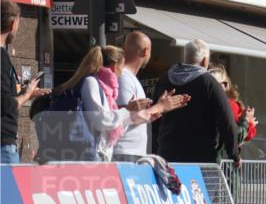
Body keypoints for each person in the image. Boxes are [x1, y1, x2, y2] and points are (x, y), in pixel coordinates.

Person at [47, 46, 186, 162]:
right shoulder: (92, 83)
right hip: (88, 155)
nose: (121, 73)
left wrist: (140, 115)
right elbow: (102, 120)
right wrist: (129, 112)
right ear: (114, 67)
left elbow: (112, 125)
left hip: (98, 155)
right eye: (121, 67)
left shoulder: (104, 88)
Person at [152, 39, 239, 165]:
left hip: (168, 153)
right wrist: (234, 154)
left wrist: (156, 148)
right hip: (200, 156)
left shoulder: (164, 79)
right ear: (205, 61)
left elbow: (155, 116)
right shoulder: (209, 82)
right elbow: (226, 120)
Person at [1, 0, 48, 163]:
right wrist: (26, 94)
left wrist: (26, 93)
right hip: (3, 145)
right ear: (13, 24)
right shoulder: (1, 58)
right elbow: (5, 104)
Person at [113, 31, 154, 162]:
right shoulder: (124, 78)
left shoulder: (128, 77)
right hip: (125, 150)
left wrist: (151, 114)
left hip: (129, 150)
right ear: (146, 51)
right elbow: (125, 116)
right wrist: (161, 107)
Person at [208, 66, 257, 159]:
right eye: (224, 83)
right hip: (219, 163)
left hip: (187, 161)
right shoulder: (228, 105)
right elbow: (233, 137)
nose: (226, 86)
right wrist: (247, 122)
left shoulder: (198, 103)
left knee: (190, 174)